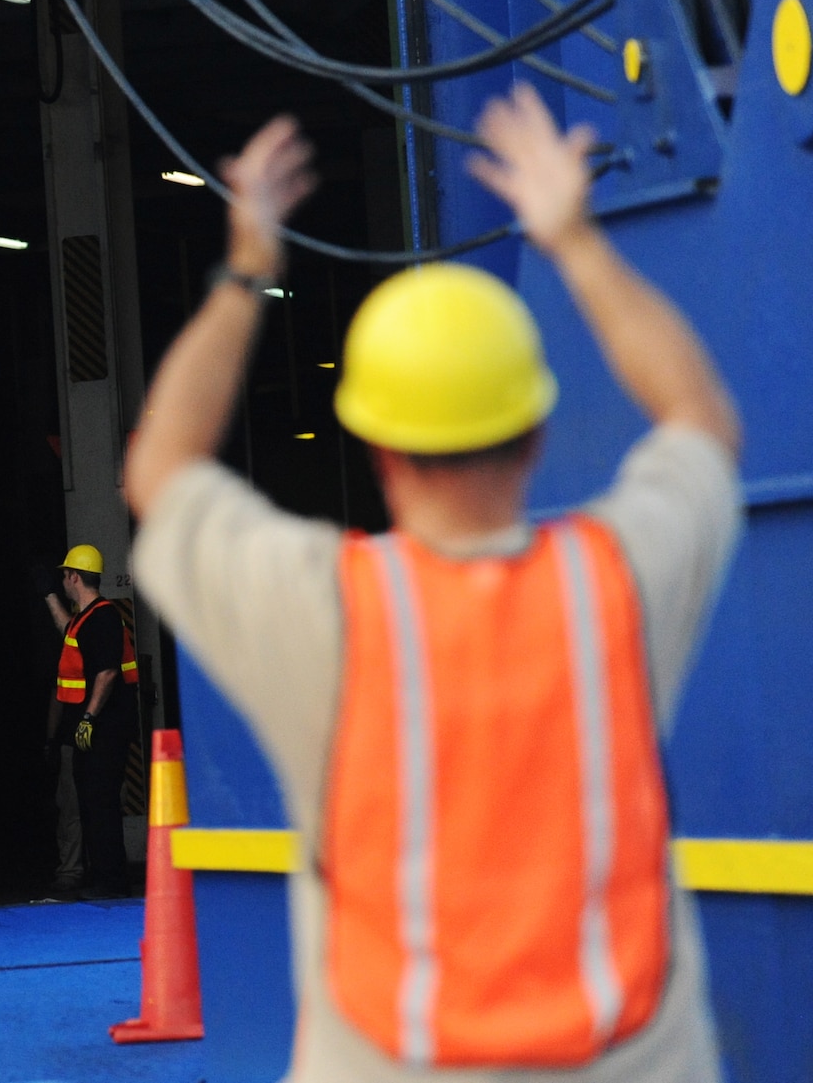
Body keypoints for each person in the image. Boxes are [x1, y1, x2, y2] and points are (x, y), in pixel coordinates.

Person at [122, 84, 741, 1082]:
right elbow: (699, 418)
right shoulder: (614, 583)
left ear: (375, 452)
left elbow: (158, 469)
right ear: (537, 433)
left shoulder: (321, 608)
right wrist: (571, 241)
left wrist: (247, 267)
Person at [44, 543, 139, 899]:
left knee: (101, 806)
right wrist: (49, 597)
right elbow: (70, 631)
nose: (63, 581)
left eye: (64, 576)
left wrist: (88, 717)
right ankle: (103, 879)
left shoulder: (104, 616)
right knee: (92, 804)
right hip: (90, 733)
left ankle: (111, 882)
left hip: (103, 732)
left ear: (74, 577)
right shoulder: (86, 618)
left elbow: (108, 671)